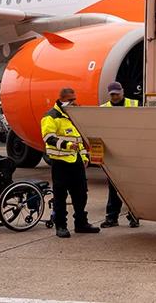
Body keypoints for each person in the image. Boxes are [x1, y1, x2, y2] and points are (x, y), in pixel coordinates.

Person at [41, 87, 100, 238]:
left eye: (74, 99)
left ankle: (81, 223)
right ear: (61, 100)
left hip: (76, 161)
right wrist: (67, 145)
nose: (73, 102)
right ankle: (61, 225)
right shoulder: (51, 117)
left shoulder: (73, 115)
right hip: (61, 162)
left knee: (81, 194)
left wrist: (84, 157)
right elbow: (48, 138)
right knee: (60, 196)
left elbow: (79, 139)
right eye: (70, 100)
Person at [99, 81, 139, 228]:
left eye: (117, 94)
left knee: (132, 187)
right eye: (112, 95)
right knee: (113, 187)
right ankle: (112, 217)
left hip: (131, 152)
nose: (115, 97)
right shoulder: (103, 109)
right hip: (113, 153)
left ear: (122, 91)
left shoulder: (135, 104)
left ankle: (134, 216)